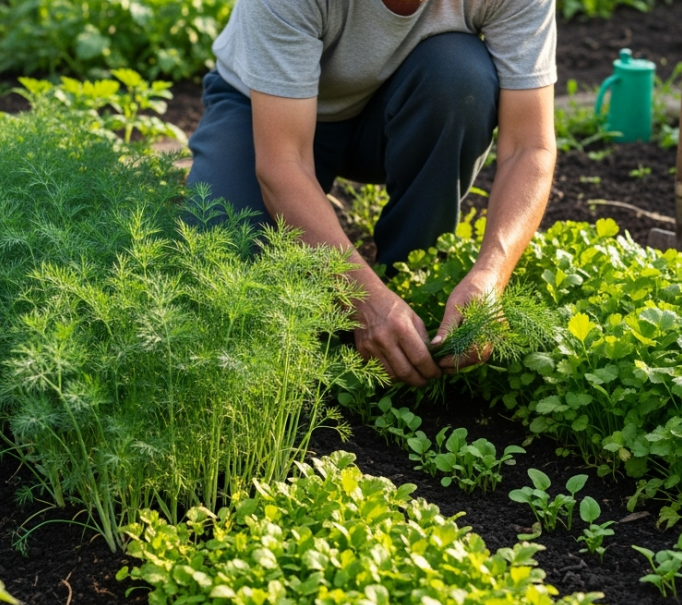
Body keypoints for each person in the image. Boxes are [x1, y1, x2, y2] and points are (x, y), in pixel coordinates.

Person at [187, 0, 558, 387]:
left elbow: (529, 147)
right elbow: (283, 164)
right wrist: (360, 297)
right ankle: (381, 311)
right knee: (218, 262)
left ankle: (410, 285)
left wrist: (491, 274)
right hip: (265, 112)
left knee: (460, 76)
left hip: (402, 104)